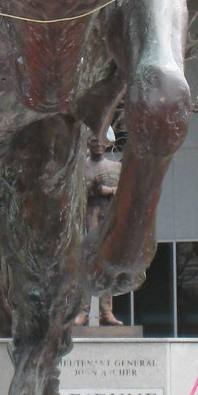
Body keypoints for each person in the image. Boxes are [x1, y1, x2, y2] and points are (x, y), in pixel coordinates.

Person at [75, 134, 123, 326]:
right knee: (85, 264)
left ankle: (106, 311)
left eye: (102, 141)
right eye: (94, 141)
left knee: (107, 266)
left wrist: (108, 191)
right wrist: (91, 187)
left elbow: (124, 191)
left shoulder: (115, 167)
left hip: (107, 220)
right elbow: (74, 193)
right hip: (86, 219)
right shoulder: (80, 167)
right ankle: (83, 311)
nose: (99, 145)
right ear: (88, 143)